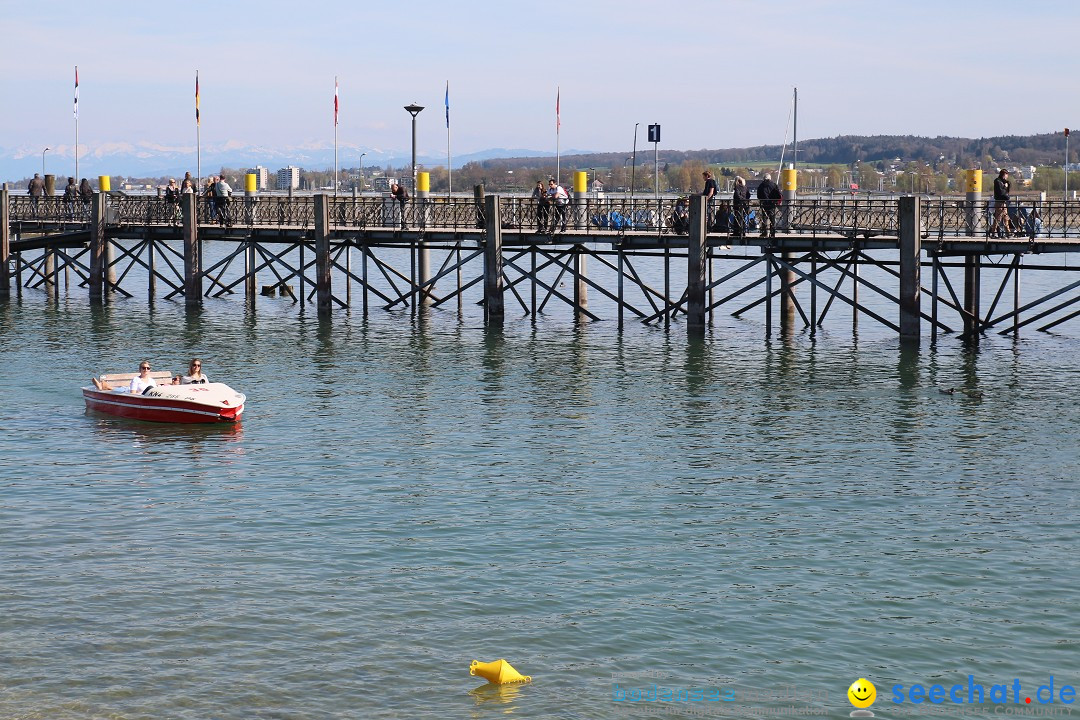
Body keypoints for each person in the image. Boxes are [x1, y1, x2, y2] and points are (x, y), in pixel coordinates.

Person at [92, 362, 157, 394]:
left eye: (148, 368)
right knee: (113, 390)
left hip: (144, 396)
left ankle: (103, 385)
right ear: (140, 370)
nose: (146, 369)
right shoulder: (136, 379)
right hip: (126, 392)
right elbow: (132, 394)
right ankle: (102, 386)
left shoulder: (152, 381)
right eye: (143, 368)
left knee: (113, 388)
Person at [756, 173, 782, 238]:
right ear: (770, 178)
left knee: (764, 218)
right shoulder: (774, 185)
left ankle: (764, 233)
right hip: (772, 204)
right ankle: (772, 233)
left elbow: (758, 195)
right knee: (772, 219)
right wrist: (775, 201)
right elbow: (778, 194)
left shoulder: (761, 185)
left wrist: (762, 200)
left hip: (764, 204)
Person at [990, 169, 1010, 238]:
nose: (1007, 177)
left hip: (1003, 202)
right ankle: (994, 232)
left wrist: (1007, 185)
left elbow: (1006, 191)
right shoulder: (998, 181)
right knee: (998, 218)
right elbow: (1001, 192)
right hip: (999, 202)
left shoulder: (1001, 182)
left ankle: (1008, 232)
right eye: (1006, 175)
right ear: (1004, 175)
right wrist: (1005, 186)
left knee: (1005, 217)